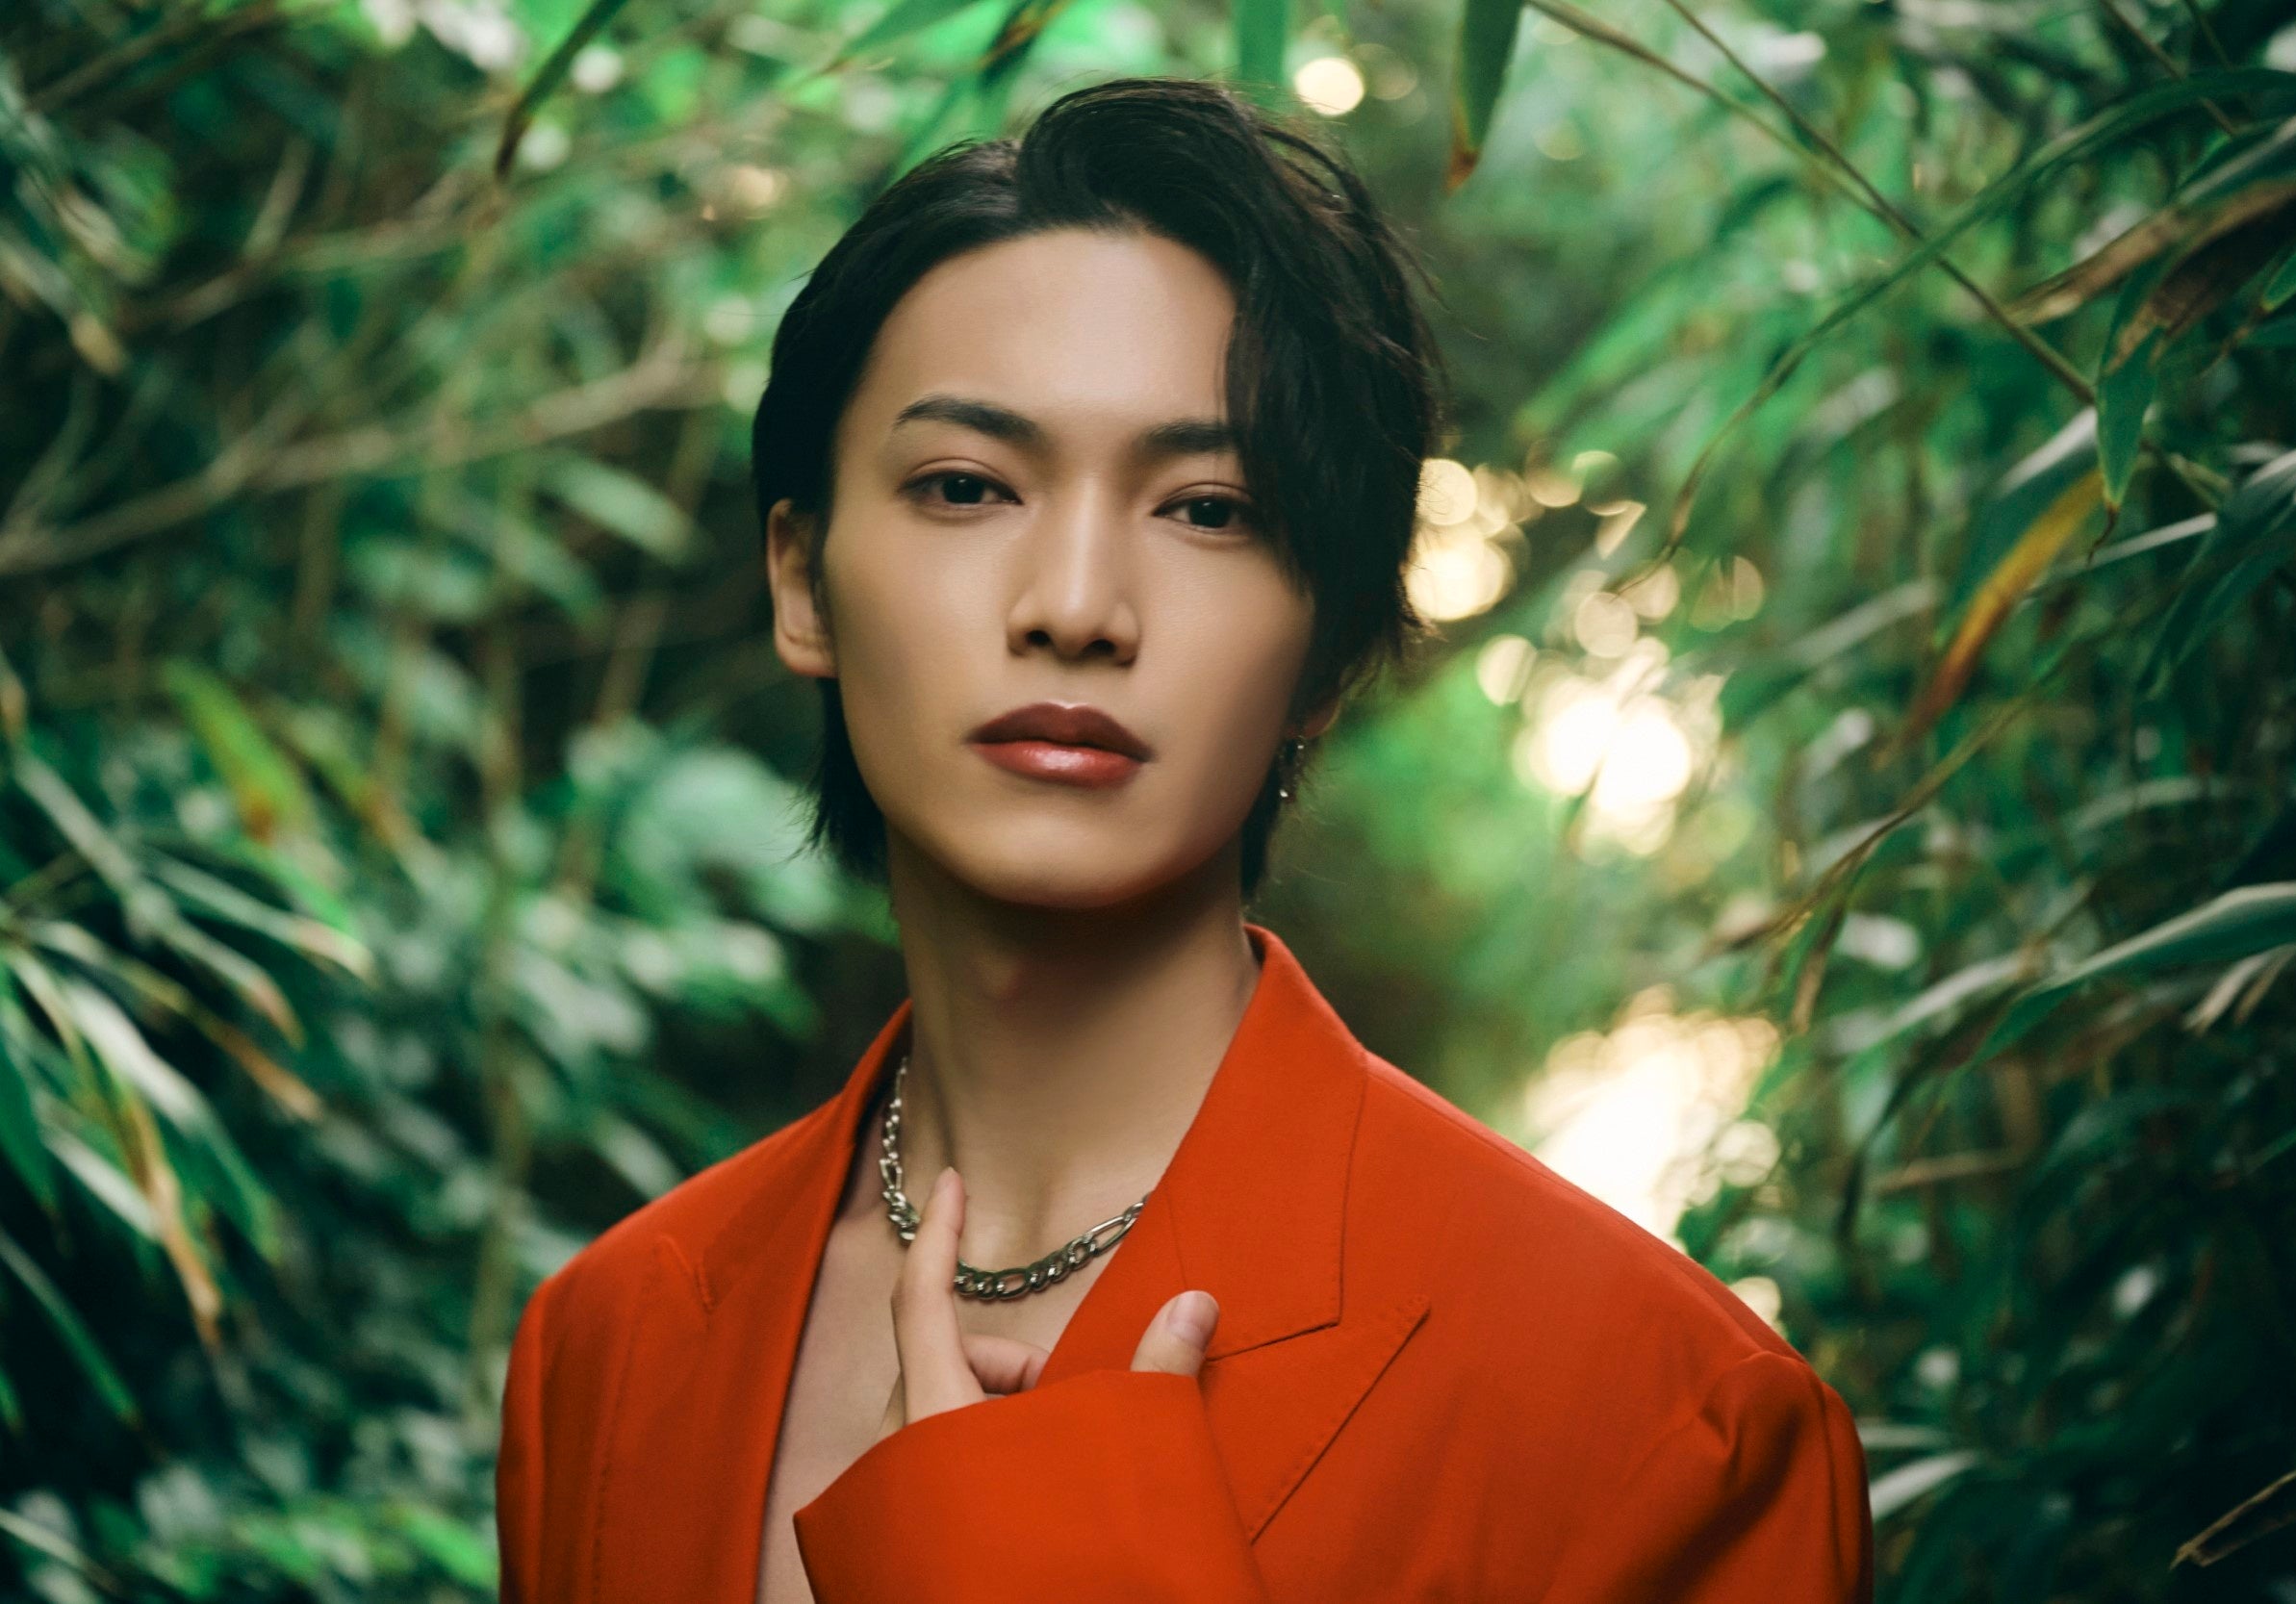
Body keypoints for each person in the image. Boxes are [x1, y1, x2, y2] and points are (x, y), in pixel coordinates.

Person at [495, 74, 1872, 1604]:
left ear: (1331, 649)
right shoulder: (607, 1351)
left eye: (1209, 509)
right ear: (803, 581)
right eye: (966, 487)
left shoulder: (1662, 1428)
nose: (1076, 606)